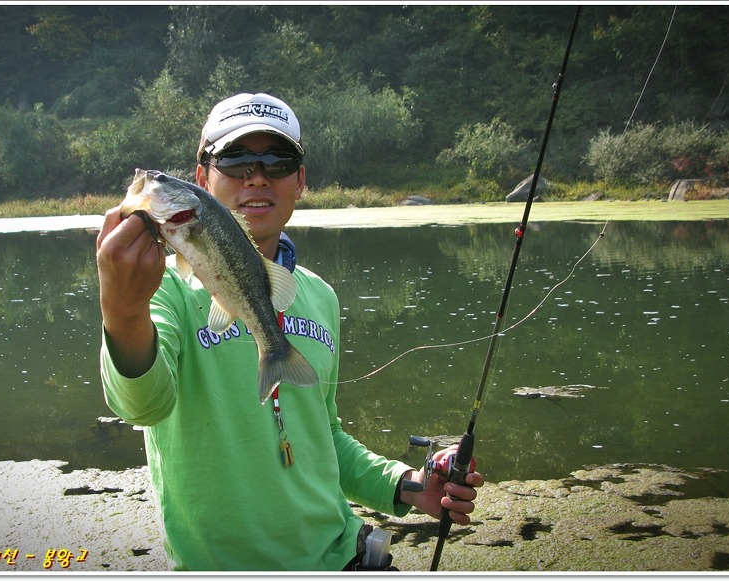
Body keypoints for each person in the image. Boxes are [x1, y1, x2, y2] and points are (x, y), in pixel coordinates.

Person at [95, 92, 484, 571]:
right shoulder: (160, 289)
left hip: (343, 557)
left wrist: (408, 485)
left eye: (278, 162)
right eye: (235, 159)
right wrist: (123, 311)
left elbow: (323, 436)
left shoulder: (320, 296)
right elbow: (143, 407)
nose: (257, 176)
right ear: (202, 178)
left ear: (299, 181)